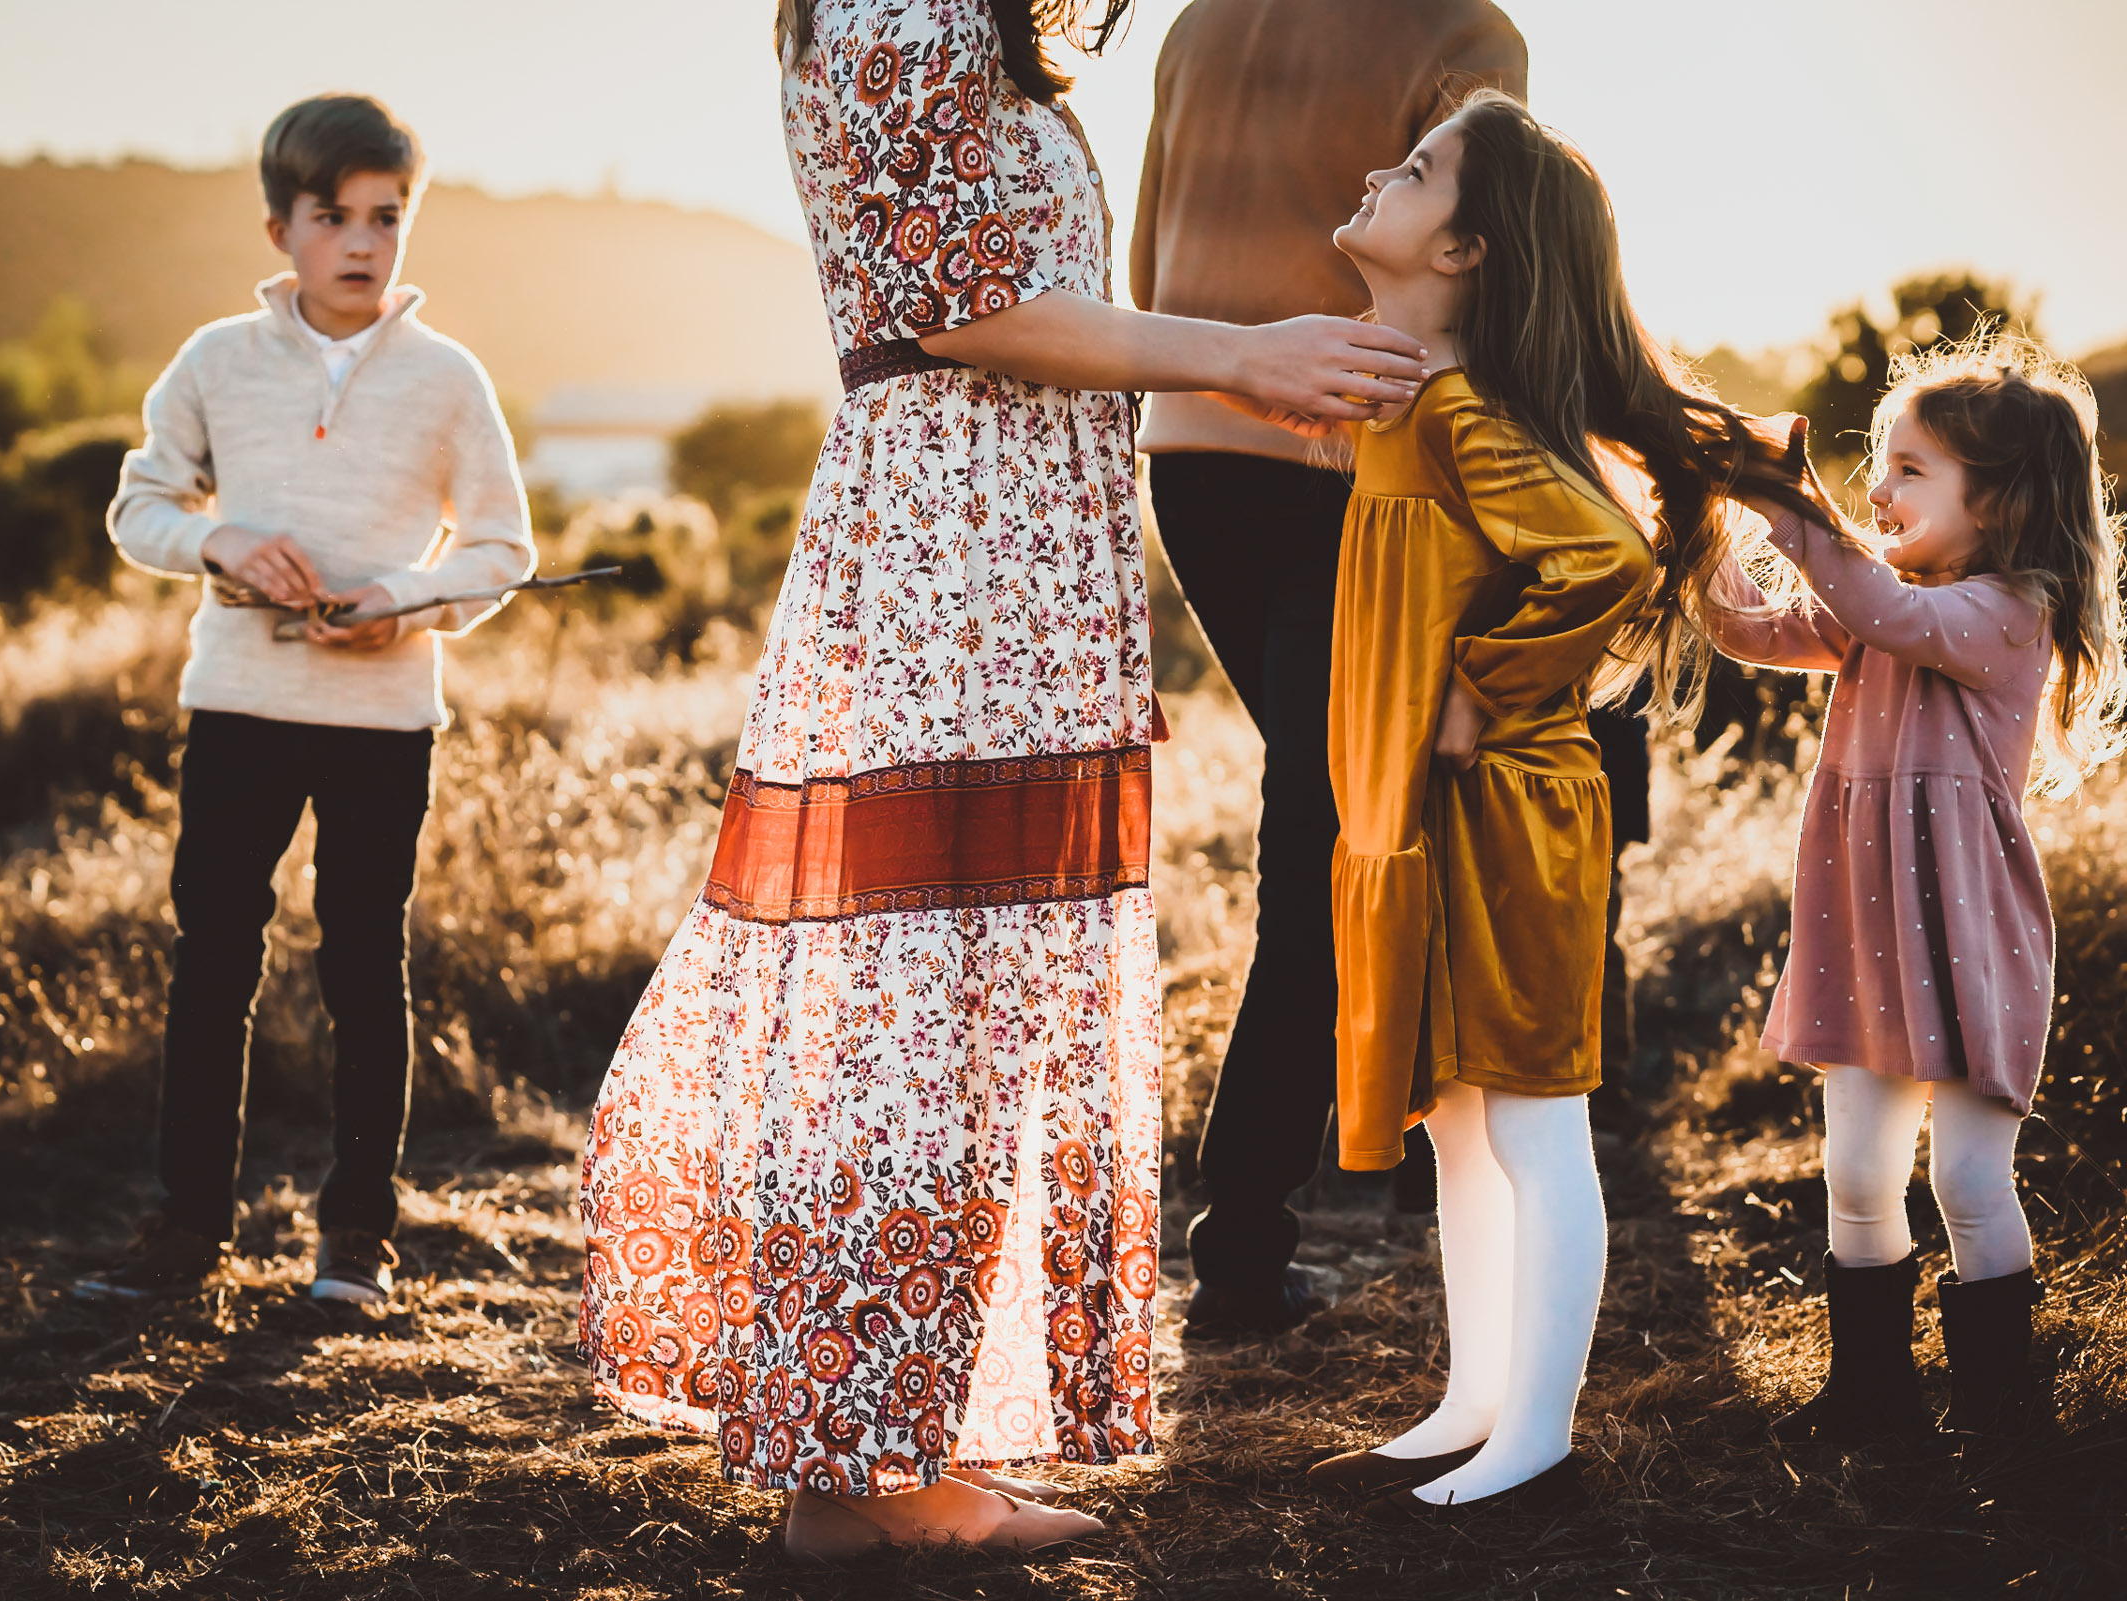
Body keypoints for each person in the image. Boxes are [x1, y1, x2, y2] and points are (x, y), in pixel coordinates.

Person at [577, 0, 1428, 1560]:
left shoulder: (953, 26)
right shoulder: (897, 8)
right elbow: (964, 305)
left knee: (961, 1007)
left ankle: (892, 1449)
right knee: (922, 1005)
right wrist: (1242, 357)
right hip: (959, 556)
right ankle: (862, 1475)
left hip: (1010, 552)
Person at [1299, 90, 1825, 1513]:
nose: (1373, 167)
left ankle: (1538, 1434)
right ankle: (1474, 1401)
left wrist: (1484, 681)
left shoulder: (1462, 404)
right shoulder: (1414, 396)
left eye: (1414, 169)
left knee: (1531, 1122)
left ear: (1467, 249)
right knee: (1459, 1121)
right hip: (1435, 810)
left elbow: (1596, 553)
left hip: (1507, 808)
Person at [81, 94, 534, 1306]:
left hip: (384, 722)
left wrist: (406, 596)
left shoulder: (448, 378)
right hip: (236, 706)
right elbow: (139, 512)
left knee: (362, 971)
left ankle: (357, 1244)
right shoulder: (213, 360)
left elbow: (501, 549)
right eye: (332, 215)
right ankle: (186, 1234)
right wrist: (219, 540)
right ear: (279, 225)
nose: (362, 241)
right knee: (212, 958)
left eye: (387, 216)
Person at [1128, 0, 1528, 1310]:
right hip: (1359, 455)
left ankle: (1409, 1154)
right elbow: (1492, 268)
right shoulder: (1461, 27)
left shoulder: (1197, 22)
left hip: (1189, 453)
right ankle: (1248, 1238)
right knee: (1338, 828)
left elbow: (1143, 258)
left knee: (1350, 803)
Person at [1703, 335, 2123, 1448]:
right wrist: (1703, 527)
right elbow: (1745, 625)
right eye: (1876, 465)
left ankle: (2000, 1408)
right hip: (1869, 938)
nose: (1877, 489)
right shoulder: (1882, 601)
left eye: (1909, 469)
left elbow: (1885, 609)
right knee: (1854, 1171)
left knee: (1971, 1182)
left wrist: (1787, 503)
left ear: (2002, 502)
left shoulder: (2005, 610)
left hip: (1971, 941)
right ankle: (1873, 1395)